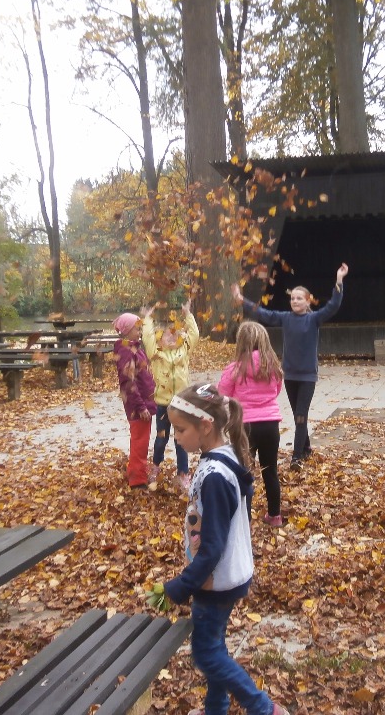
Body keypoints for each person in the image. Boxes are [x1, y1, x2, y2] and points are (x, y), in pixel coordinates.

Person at [163, 384, 288, 715]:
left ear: (205, 426)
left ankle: (263, 708)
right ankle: (215, 709)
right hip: (225, 575)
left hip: (215, 581)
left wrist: (182, 585)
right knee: (214, 647)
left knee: (206, 653)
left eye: (181, 429)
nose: (176, 437)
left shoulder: (215, 475)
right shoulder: (223, 456)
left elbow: (214, 546)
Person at [231, 262, 348, 467]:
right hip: (290, 375)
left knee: (301, 416)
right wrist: (242, 300)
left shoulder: (314, 319)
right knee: (297, 416)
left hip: (307, 377)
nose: (295, 301)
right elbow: (263, 314)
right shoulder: (285, 318)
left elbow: (333, 306)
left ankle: (297, 457)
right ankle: (307, 448)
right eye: (292, 298)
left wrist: (339, 281)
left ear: (307, 301)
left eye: (299, 298)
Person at [218, 321, 284, 526]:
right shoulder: (273, 366)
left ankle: (244, 519)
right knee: (270, 470)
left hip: (244, 425)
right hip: (270, 424)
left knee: (244, 472)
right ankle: (275, 515)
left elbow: (223, 394)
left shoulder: (235, 369)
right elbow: (276, 390)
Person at [141, 299, 200, 492]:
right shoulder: (156, 354)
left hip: (181, 404)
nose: (172, 337)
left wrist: (188, 314)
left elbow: (194, 335)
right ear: (160, 340)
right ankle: (155, 466)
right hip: (164, 405)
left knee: (181, 440)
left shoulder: (184, 351)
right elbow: (147, 338)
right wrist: (147, 319)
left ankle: (183, 474)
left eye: (175, 334)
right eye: (167, 335)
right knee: (161, 440)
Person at [113, 311, 157, 489]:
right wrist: (141, 407)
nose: (139, 332)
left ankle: (136, 472)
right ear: (127, 331)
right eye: (136, 329)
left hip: (144, 402)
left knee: (142, 440)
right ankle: (137, 481)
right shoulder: (126, 351)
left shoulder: (134, 349)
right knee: (140, 442)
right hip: (138, 407)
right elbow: (128, 382)